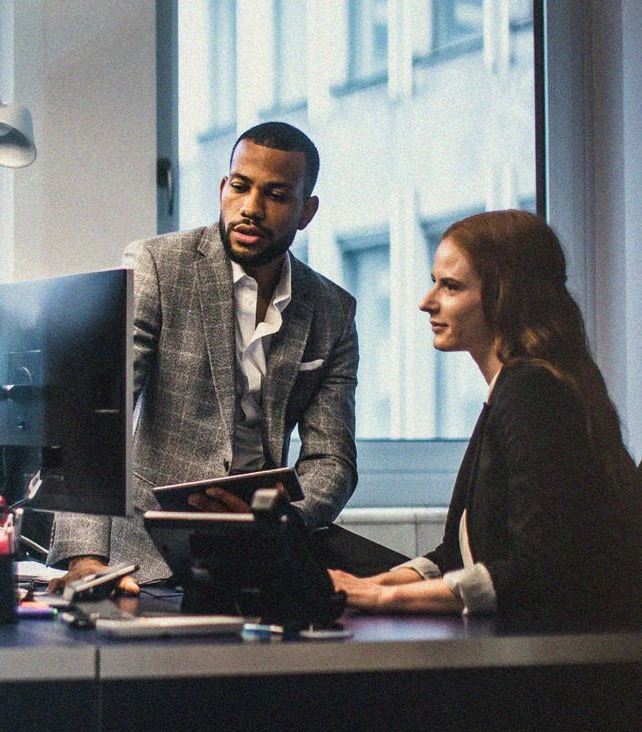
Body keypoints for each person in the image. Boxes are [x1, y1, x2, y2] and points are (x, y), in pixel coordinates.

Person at [48, 122, 358, 591]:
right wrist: (87, 559)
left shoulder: (332, 311)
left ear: (306, 211)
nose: (251, 208)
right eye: (240, 187)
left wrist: (279, 518)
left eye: (275, 195)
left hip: (261, 560)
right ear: (223, 188)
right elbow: (94, 417)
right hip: (141, 560)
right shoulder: (156, 267)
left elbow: (331, 459)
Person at [330, 210, 642, 626]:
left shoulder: (532, 391)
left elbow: (535, 571)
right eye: (434, 281)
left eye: (451, 287)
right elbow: (457, 556)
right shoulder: (520, 384)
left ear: (503, 297)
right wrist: (378, 584)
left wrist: (383, 599)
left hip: (558, 661)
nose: (428, 302)